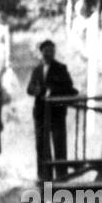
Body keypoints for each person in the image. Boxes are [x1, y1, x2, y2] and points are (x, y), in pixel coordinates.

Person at [27, 40, 78, 179]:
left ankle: (61, 176)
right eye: (46, 51)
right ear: (41, 52)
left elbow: (69, 88)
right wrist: (37, 90)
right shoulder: (37, 70)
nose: (49, 53)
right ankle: (44, 176)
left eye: (52, 51)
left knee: (59, 143)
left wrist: (51, 90)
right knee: (42, 145)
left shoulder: (61, 68)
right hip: (41, 113)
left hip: (56, 112)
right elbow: (29, 88)